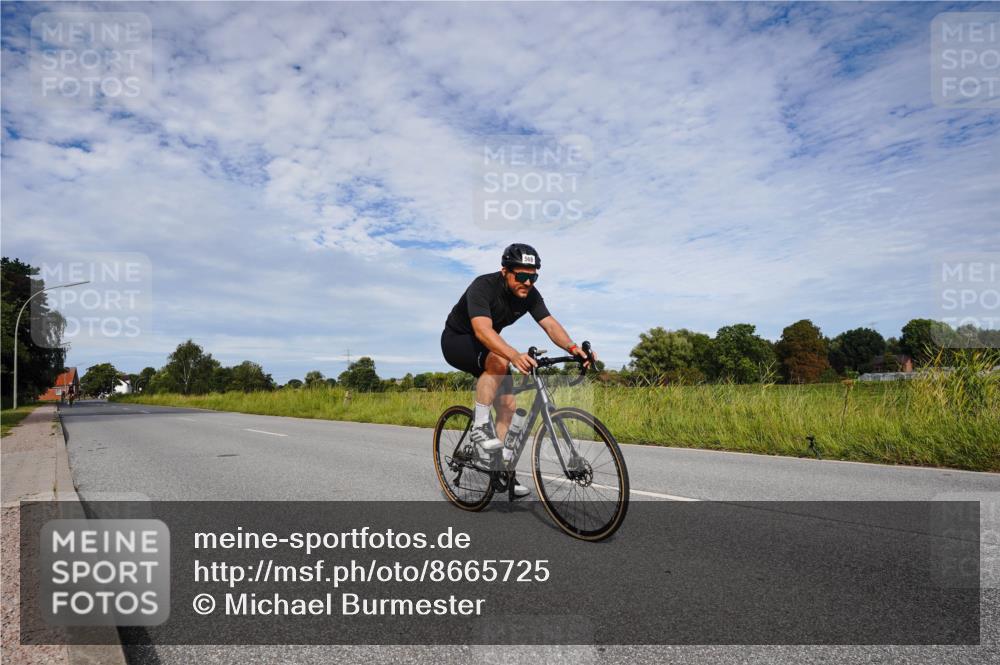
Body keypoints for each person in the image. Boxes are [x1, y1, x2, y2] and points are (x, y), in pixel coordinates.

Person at [441, 243, 595, 497]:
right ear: (505, 272)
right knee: (499, 361)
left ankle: (498, 471)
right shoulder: (483, 286)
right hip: (458, 341)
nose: (527, 282)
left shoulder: (530, 295)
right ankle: (479, 428)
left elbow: (549, 324)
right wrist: (513, 354)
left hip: (490, 346)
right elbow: (482, 330)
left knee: (509, 407)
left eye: (533, 276)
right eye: (521, 276)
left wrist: (573, 347)